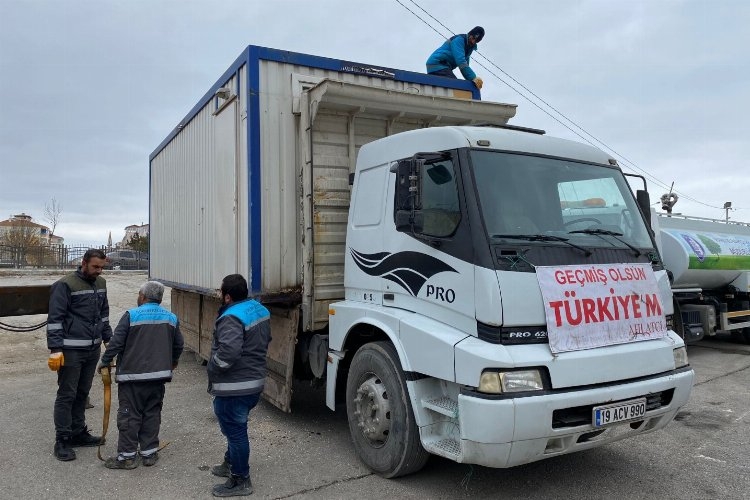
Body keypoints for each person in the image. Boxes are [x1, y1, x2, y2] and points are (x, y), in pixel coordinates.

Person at [97, 281, 184, 469]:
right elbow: (178, 345)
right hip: (158, 378)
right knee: (152, 413)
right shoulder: (171, 318)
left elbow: (117, 343)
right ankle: (149, 453)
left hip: (132, 378)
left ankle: (127, 457)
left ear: (143, 296)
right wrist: (172, 362)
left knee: (129, 415)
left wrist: (105, 362)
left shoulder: (132, 315)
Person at [208, 274, 271, 497]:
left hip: (235, 386)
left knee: (235, 431)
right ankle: (230, 463)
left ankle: (241, 479)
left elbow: (228, 354)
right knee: (233, 427)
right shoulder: (258, 309)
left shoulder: (231, 317)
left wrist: (212, 368)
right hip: (254, 381)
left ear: (227, 296)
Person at [47, 248, 112, 461]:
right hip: (70, 350)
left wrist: (107, 339)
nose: (99, 271)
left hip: (92, 349)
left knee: (82, 393)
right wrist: (56, 349)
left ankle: (78, 432)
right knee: (67, 394)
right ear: (83, 263)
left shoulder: (101, 284)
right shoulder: (65, 285)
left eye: (102, 267)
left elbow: (103, 314)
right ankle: (63, 439)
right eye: (95, 267)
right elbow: (55, 319)